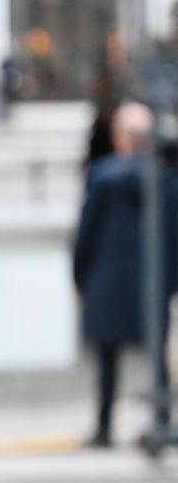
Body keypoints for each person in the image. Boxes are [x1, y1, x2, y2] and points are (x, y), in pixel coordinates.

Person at [73, 101, 177, 447]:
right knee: (156, 353)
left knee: (106, 357)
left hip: (107, 279)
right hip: (153, 281)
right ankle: (161, 419)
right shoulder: (165, 180)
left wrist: (79, 275)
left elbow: (86, 231)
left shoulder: (102, 177)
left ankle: (104, 427)